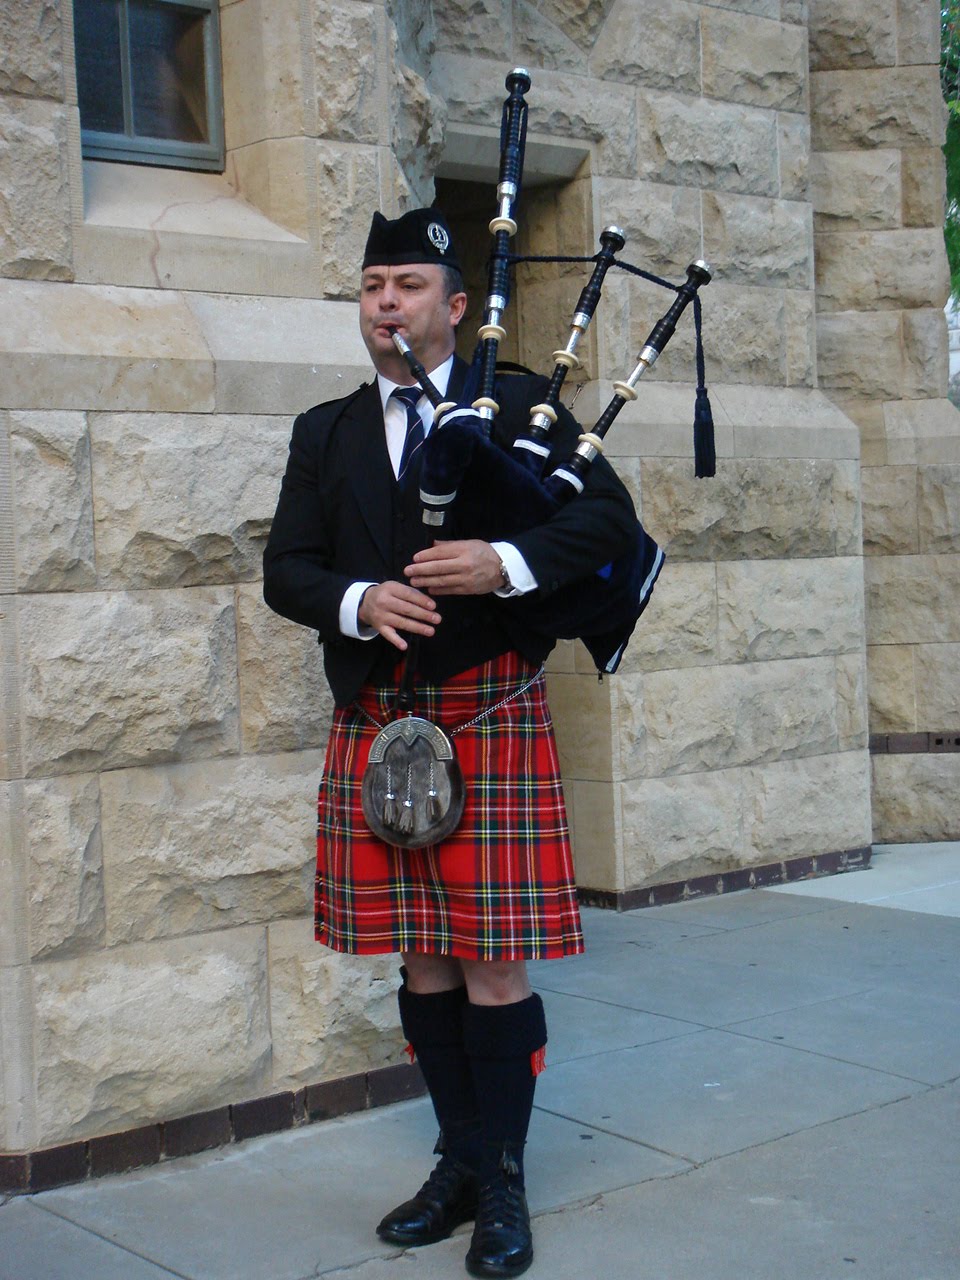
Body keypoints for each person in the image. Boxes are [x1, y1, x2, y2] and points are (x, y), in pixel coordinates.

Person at [263, 207, 636, 1279]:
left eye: (409, 285)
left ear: (457, 305)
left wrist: (501, 564)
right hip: (380, 721)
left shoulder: (517, 405)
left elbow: (606, 523)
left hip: (487, 708)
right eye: (372, 285)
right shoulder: (326, 430)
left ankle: (504, 1178)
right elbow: (287, 569)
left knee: (491, 964)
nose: (386, 302)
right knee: (421, 955)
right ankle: (459, 1161)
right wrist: (357, 599)